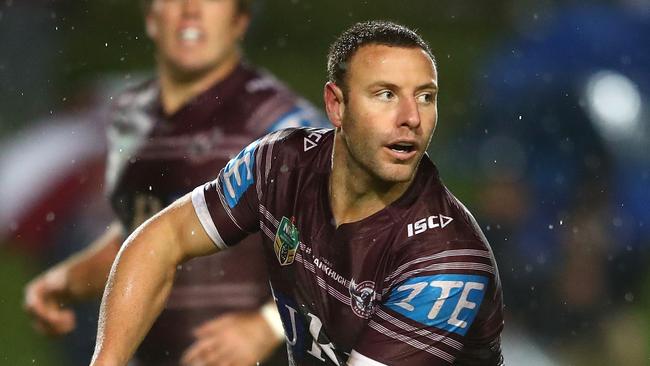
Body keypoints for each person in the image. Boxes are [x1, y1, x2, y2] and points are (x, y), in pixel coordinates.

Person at [89, 21, 504, 366]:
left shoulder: (446, 260)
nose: (411, 118)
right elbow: (162, 239)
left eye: (425, 97)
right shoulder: (279, 164)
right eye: (386, 95)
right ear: (336, 105)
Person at [23, 0, 328, 365]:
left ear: (239, 20)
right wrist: (63, 283)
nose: (191, 9)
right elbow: (141, 241)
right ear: (151, 17)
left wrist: (265, 327)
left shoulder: (279, 124)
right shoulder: (136, 122)